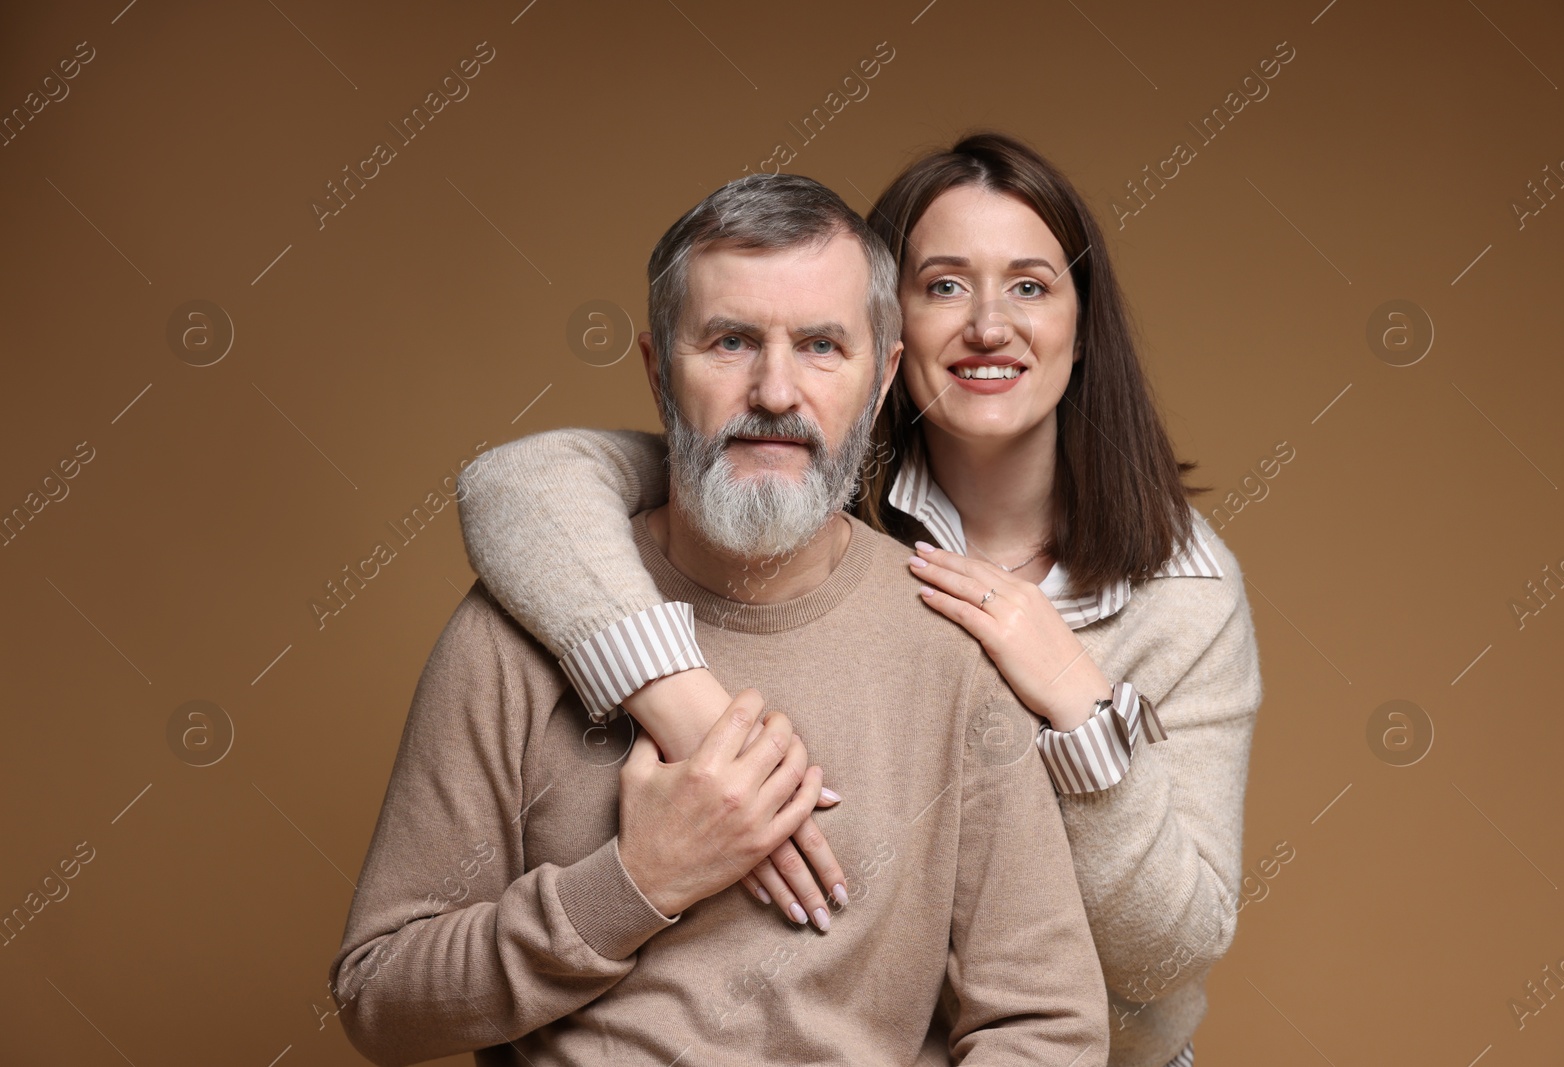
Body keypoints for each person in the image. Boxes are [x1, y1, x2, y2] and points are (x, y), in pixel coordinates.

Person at [456, 132, 1264, 1067]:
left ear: (1084, 330)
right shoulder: (779, 480)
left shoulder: (1182, 591)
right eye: (945, 285)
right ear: (888, 333)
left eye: (1032, 285)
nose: (990, 325)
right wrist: (693, 712)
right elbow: (518, 488)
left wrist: (1078, 702)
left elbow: (1168, 951)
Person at [329, 172, 1109, 1065]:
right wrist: (634, 884)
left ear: (882, 376)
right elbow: (378, 995)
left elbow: (1045, 1023)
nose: (775, 391)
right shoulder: (514, 633)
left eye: (821, 346)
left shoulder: (950, 651)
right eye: (731, 341)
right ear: (660, 369)